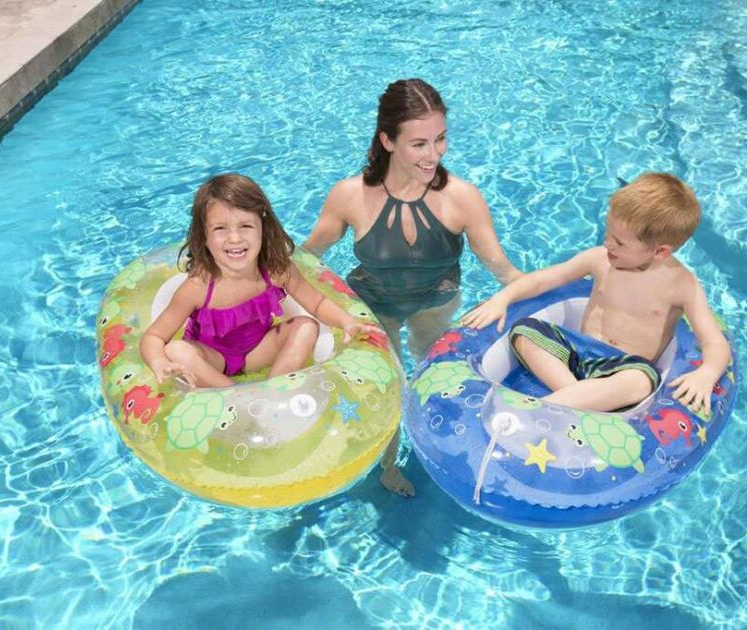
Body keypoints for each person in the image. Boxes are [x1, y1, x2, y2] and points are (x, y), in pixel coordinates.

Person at [304, 78, 523, 497]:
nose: (434, 154)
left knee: (434, 375)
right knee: (388, 385)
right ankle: (388, 466)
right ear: (387, 140)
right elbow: (309, 258)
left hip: (435, 303)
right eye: (419, 144)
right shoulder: (350, 196)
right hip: (372, 305)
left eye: (440, 139)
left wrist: (558, 289)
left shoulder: (462, 198)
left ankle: (439, 448)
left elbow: (503, 270)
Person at [458, 172, 730, 416]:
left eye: (619, 242)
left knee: (642, 380)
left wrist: (707, 373)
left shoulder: (682, 285)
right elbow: (546, 279)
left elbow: (715, 343)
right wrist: (503, 298)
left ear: (660, 251)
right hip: (575, 354)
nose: (607, 243)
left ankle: (540, 409)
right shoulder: (599, 259)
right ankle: (577, 398)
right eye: (608, 232)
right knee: (525, 331)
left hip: (622, 369)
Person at [142, 173, 383, 389]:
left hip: (258, 351)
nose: (235, 238)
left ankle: (271, 390)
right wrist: (159, 362)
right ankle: (234, 395)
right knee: (176, 350)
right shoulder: (198, 288)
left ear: (263, 229)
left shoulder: (276, 270)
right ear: (204, 237)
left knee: (306, 326)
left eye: (246, 226)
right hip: (213, 359)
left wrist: (347, 322)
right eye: (220, 228)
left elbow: (317, 303)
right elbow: (154, 337)